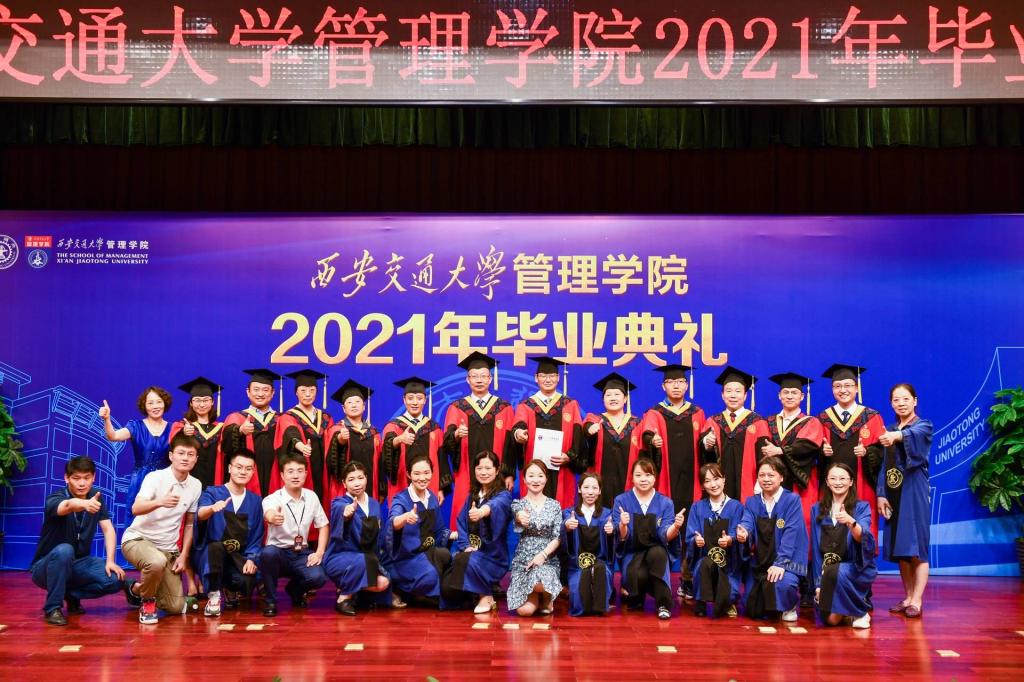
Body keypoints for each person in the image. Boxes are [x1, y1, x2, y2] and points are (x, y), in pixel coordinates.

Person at [30, 456, 130, 626]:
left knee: (115, 580)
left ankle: (70, 595)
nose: (82, 483)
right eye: (76, 478)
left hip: (78, 564)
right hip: (45, 568)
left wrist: (111, 561)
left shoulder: (96, 497)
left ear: (93, 477)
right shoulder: (55, 498)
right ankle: (52, 608)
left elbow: (108, 529)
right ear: (66, 478)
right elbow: (67, 506)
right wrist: (83, 504)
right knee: (65, 550)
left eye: (87, 478)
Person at [120, 433, 203, 624]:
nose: (185, 458)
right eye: (181, 453)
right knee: (155, 562)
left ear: (196, 459)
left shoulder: (195, 485)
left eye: (190, 454)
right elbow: (136, 508)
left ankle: (135, 589)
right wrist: (160, 502)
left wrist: (183, 556)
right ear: (171, 456)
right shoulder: (155, 478)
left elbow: (190, 524)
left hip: (168, 548)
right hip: (138, 539)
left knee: (175, 607)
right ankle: (147, 603)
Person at [639, 364, 706, 600]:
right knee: (663, 529)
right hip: (665, 481)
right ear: (663, 386)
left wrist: (708, 444)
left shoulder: (697, 413)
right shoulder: (655, 413)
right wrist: (652, 441)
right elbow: (646, 434)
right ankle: (659, 581)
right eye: (671, 382)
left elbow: (705, 443)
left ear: (686, 385)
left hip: (691, 482)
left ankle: (688, 580)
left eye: (680, 382)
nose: (676, 386)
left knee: (691, 529)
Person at [762, 372, 824, 608]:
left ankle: (807, 586)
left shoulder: (811, 422)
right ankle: (776, 581)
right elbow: (761, 448)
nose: (789, 396)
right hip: (774, 487)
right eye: (785, 392)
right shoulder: (768, 422)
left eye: (794, 392)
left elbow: (807, 447)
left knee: (802, 531)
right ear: (779, 395)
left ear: (802, 396)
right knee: (775, 529)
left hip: (801, 486)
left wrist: (779, 451)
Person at [877, 383, 933, 619]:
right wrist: (881, 493)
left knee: (916, 547)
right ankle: (908, 596)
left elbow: (913, 438)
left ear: (915, 400)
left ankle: (917, 601)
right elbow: (883, 465)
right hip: (893, 490)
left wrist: (897, 436)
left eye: (905, 399)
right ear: (891, 403)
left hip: (914, 489)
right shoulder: (889, 429)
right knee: (901, 548)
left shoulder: (923, 426)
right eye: (896, 400)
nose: (901, 403)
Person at [442, 352, 516, 527]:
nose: (479, 380)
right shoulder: (457, 408)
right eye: (474, 376)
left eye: (483, 376)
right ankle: (463, 540)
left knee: (496, 511)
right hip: (466, 472)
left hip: (497, 474)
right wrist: (456, 435)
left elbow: (511, 445)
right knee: (464, 511)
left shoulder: (504, 408)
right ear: (467, 380)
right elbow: (447, 442)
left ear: (490, 379)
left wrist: (509, 474)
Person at [193, 449, 264, 617]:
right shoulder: (212, 493)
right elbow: (200, 514)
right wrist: (211, 508)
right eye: (239, 467)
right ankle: (214, 595)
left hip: (236, 557)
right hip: (210, 555)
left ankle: (228, 588)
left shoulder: (255, 501)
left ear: (253, 471)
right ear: (229, 468)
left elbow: (256, 536)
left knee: (247, 580)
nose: (243, 472)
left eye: (248, 468)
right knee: (216, 548)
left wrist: (251, 559)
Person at [613, 458, 686, 620]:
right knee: (638, 583)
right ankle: (633, 592)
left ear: (655, 477)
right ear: (632, 478)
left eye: (648, 475)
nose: (643, 479)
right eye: (638, 475)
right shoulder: (621, 500)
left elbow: (665, 534)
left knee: (658, 553)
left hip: (656, 553)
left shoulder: (665, 502)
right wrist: (623, 525)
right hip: (632, 553)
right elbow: (622, 537)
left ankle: (663, 604)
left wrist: (676, 527)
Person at [817, 364, 885, 535]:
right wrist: (821, 451)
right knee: (830, 534)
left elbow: (883, 453)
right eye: (837, 386)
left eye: (848, 385)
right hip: (831, 487)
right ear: (832, 389)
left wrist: (868, 452)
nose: (843, 390)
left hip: (863, 485)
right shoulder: (823, 419)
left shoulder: (872, 417)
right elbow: (811, 456)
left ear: (856, 388)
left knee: (862, 530)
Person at [259, 452, 330, 617]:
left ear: (306, 473)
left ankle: (294, 591)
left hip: (301, 553)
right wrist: (273, 517)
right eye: (290, 471)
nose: (295, 475)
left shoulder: (311, 497)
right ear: (282, 475)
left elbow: (323, 525)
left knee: (318, 578)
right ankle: (270, 601)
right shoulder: (273, 498)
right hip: (279, 553)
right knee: (268, 553)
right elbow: (269, 513)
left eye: (300, 471)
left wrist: (319, 552)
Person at [442, 450, 512, 612]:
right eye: (479, 468)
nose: (483, 472)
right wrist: (466, 546)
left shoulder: (504, 495)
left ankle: (486, 596)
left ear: (497, 470)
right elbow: (461, 523)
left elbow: (495, 505)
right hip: (469, 554)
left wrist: (481, 512)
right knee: (447, 590)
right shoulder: (472, 496)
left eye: (488, 468)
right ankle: (476, 590)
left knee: (465, 561)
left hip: (493, 558)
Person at [509, 356, 584, 508]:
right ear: (536, 378)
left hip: (562, 468)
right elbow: (518, 425)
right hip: (533, 469)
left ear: (558, 378)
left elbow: (578, 435)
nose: (548, 379)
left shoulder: (570, 405)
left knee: (562, 507)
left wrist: (569, 456)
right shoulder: (526, 405)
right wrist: (519, 434)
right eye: (543, 376)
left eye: (552, 376)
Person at [740, 456, 808, 622]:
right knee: (752, 607)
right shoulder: (752, 501)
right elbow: (747, 521)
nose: (766, 479)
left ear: (781, 477)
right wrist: (743, 532)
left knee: (783, 584)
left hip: (787, 561)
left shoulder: (792, 500)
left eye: (771, 475)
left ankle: (790, 604)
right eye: (762, 475)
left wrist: (780, 564)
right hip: (762, 561)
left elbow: (791, 534)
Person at [811, 462, 876, 629]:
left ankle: (860, 612)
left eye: (842, 478)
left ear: (851, 481)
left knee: (835, 570)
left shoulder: (862, 507)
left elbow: (864, 538)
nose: (838, 482)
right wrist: (818, 585)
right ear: (827, 482)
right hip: (827, 576)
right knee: (830, 621)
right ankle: (849, 608)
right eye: (833, 478)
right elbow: (816, 552)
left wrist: (850, 522)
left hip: (855, 570)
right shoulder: (817, 509)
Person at [384, 455, 452, 607]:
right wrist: (404, 518)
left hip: (426, 552)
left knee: (446, 556)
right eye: (417, 473)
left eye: (426, 473)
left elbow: (440, 530)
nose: (422, 478)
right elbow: (393, 521)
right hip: (406, 557)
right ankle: (400, 589)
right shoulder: (401, 499)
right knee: (431, 577)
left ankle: (421, 592)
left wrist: (453, 534)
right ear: (409, 474)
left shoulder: (432, 497)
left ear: (432, 473)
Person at [324, 461, 391, 616]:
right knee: (362, 560)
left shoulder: (374, 504)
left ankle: (355, 591)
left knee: (383, 582)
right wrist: (347, 513)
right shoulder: (339, 503)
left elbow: (379, 538)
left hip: (368, 558)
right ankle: (343, 598)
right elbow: (341, 510)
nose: (357, 483)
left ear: (366, 478)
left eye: (360, 478)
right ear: (344, 483)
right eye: (351, 479)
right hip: (340, 559)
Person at [702, 366, 771, 503]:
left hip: (749, 484)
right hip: (719, 486)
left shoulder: (758, 422)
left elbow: (765, 457)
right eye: (728, 391)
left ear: (745, 395)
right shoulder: (713, 422)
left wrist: (760, 482)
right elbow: (703, 457)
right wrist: (706, 444)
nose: (733, 395)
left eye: (738, 391)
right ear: (722, 395)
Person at [685, 463, 746, 618]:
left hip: (728, 566)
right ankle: (701, 600)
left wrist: (731, 539)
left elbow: (739, 532)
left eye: (716, 478)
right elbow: (691, 535)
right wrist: (696, 540)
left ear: (724, 479)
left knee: (728, 595)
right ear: (702, 486)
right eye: (707, 481)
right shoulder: (697, 508)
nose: (713, 484)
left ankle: (727, 601)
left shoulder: (736, 507)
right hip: (704, 564)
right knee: (705, 563)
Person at [98, 386, 172, 508]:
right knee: (136, 516)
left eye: (159, 402)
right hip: (139, 483)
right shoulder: (136, 426)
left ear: (165, 403)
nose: (155, 406)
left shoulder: (173, 428)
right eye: (150, 403)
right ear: (144, 406)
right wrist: (106, 419)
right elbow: (113, 436)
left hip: (165, 484)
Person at [382, 377, 451, 504]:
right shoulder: (393, 426)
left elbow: (442, 460)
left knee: (428, 514)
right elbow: (387, 449)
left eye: (419, 398)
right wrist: (399, 439)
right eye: (410, 398)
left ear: (425, 400)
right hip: (401, 485)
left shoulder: (434, 428)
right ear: (404, 400)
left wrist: (441, 488)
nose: (415, 402)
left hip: (430, 486)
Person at [508, 459, 563, 616]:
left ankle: (546, 596)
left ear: (546, 478)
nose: (536, 480)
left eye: (540, 476)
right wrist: (520, 517)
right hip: (524, 561)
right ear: (524, 480)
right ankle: (534, 596)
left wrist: (543, 555)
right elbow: (518, 515)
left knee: (541, 581)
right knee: (524, 612)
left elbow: (557, 537)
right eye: (531, 476)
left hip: (547, 560)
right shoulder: (518, 504)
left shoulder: (555, 505)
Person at [584, 372, 642, 508]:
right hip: (601, 482)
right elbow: (587, 426)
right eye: (608, 395)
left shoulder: (637, 424)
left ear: (625, 398)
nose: (613, 398)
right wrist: (590, 429)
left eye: (617, 394)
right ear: (603, 399)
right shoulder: (596, 419)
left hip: (628, 482)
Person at [221, 368, 283, 496]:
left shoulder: (282, 419)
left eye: (265, 390)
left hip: (275, 477)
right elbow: (225, 447)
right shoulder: (237, 418)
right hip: (247, 477)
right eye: (256, 389)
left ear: (272, 393)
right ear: (248, 392)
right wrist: (239, 430)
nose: (260, 394)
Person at [562, 472, 615, 617]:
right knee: (579, 602)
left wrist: (611, 532)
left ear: (600, 491)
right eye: (586, 487)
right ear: (579, 489)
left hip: (601, 562)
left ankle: (599, 598)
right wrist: (567, 526)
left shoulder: (607, 515)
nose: (590, 492)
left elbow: (613, 545)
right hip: (577, 565)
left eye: (594, 488)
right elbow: (564, 537)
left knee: (602, 572)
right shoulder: (569, 513)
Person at [277, 369, 333, 501]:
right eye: (303, 390)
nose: (308, 394)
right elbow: (290, 431)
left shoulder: (325, 417)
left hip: (323, 470)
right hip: (303, 468)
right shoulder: (288, 416)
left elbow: (332, 440)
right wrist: (300, 445)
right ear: (296, 392)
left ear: (317, 392)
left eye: (312, 390)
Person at [324, 379, 382, 503]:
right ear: (344, 408)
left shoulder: (374, 433)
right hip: (344, 490)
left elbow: (380, 464)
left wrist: (382, 489)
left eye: (357, 402)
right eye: (349, 402)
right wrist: (340, 440)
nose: (354, 405)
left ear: (364, 406)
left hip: (369, 489)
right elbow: (330, 462)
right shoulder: (336, 430)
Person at [168, 376, 224, 489]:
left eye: (206, 400)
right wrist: (183, 433)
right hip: (189, 479)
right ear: (191, 403)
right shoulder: (181, 426)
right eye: (197, 400)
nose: (202, 404)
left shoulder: (221, 428)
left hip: (214, 479)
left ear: (212, 402)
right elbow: (171, 448)